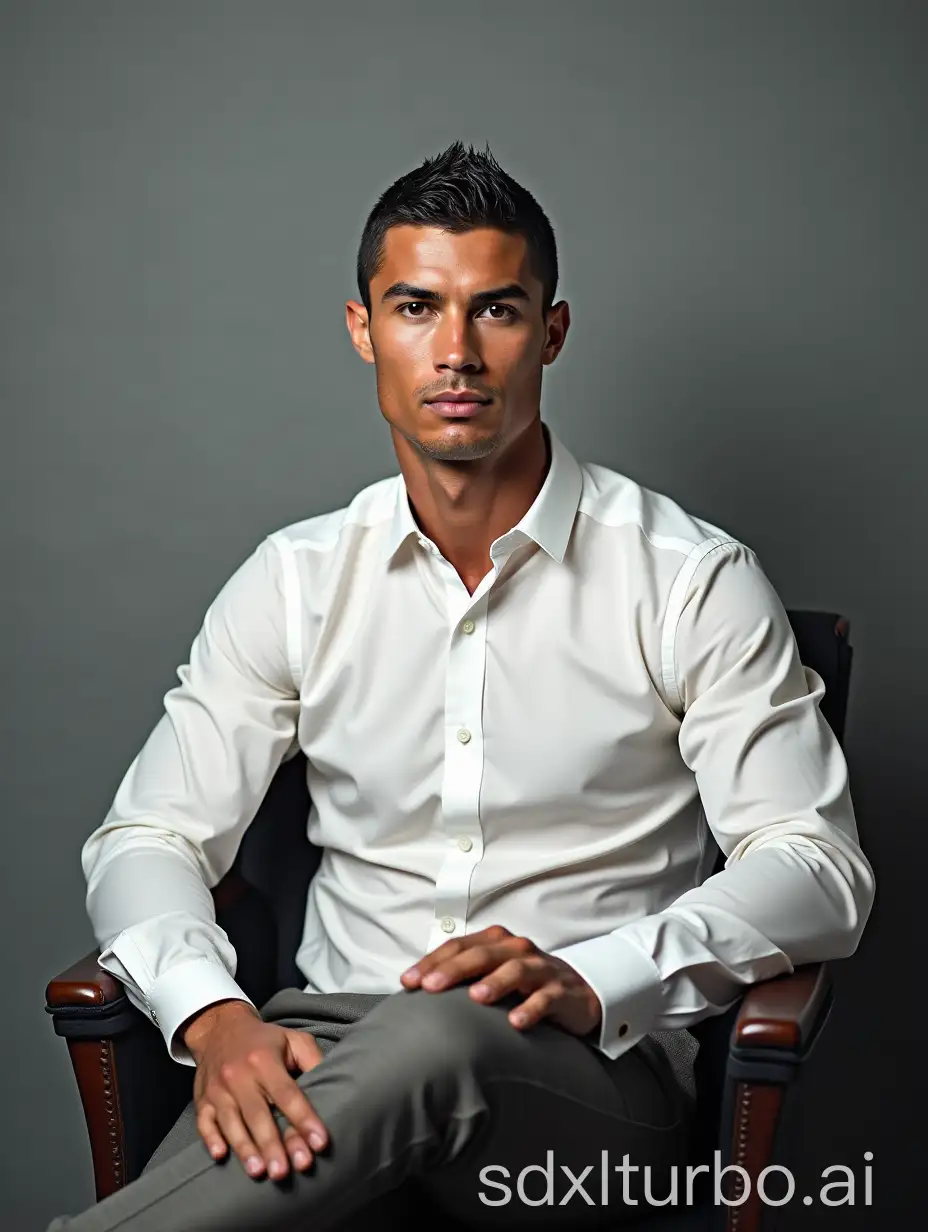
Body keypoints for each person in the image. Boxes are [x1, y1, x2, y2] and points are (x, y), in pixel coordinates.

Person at [47, 140, 874, 1231]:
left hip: (583, 1078)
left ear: (552, 331)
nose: (455, 353)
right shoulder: (297, 578)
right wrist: (214, 1018)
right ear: (361, 331)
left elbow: (817, 868)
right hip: (326, 1041)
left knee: (433, 1031)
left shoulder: (687, 578)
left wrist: (601, 973)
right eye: (413, 308)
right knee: (374, 1057)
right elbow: (146, 835)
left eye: (495, 310)